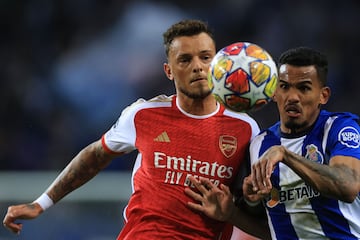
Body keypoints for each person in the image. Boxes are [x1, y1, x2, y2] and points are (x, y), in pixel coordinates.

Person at [3, 19, 262, 239]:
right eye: (184, 59)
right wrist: (41, 204)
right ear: (169, 71)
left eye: (205, 57)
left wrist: (237, 210)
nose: (197, 66)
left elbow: (250, 205)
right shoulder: (143, 115)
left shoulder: (244, 128)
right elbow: (95, 156)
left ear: (217, 63)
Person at [185, 46, 360, 239]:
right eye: (284, 86)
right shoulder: (259, 144)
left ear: (323, 95)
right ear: (274, 92)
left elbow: (348, 186)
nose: (293, 97)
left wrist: (285, 155)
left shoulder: (339, 128)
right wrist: (233, 213)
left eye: (304, 88)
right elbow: (273, 231)